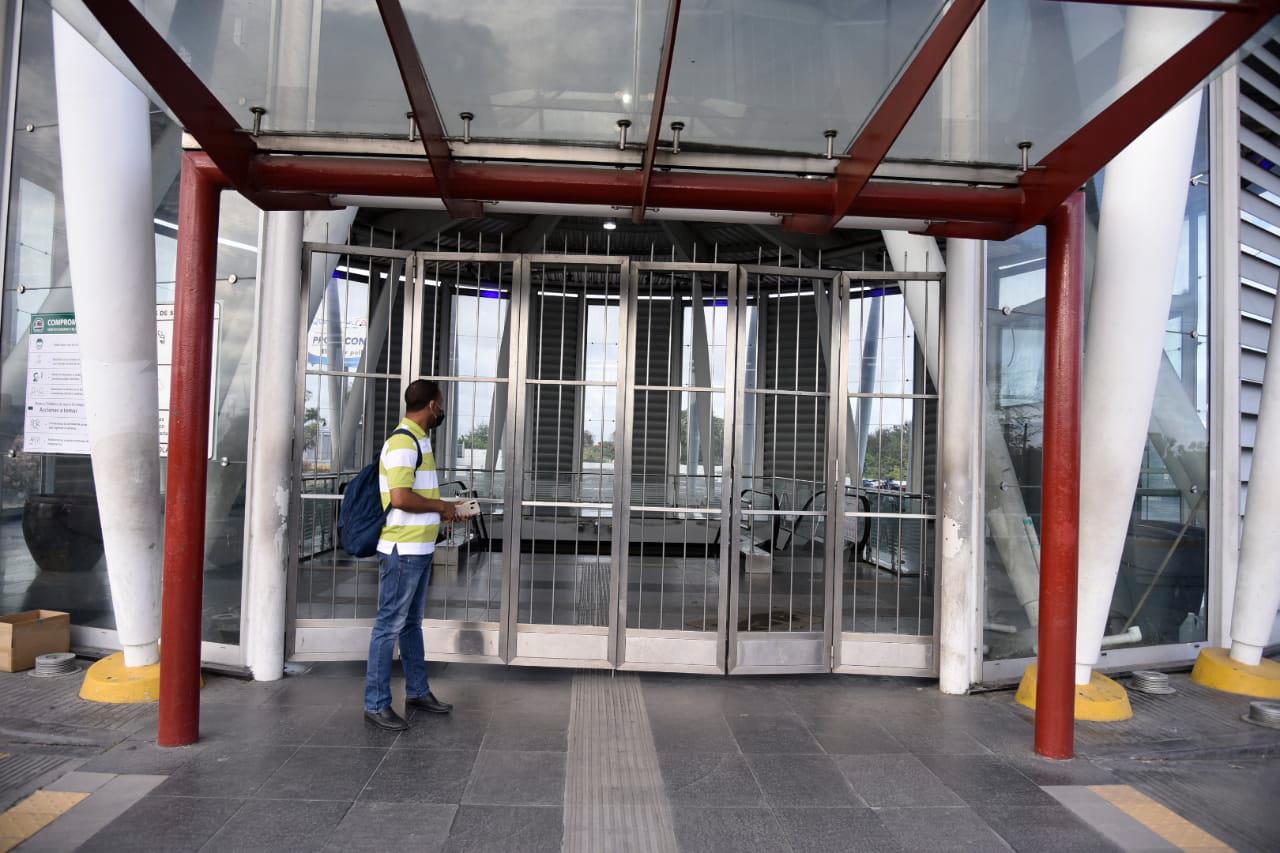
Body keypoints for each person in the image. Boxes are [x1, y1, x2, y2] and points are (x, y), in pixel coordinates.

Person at [364, 379, 457, 731]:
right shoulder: (403, 442)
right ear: (432, 405)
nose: (442, 409)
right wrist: (440, 506)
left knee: (409, 625)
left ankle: (417, 691)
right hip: (402, 550)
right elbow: (400, 497)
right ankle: (375, 703)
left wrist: (445, 510)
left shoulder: (420, 441)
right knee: (388, 627)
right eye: (441, 403)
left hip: (418, 547)